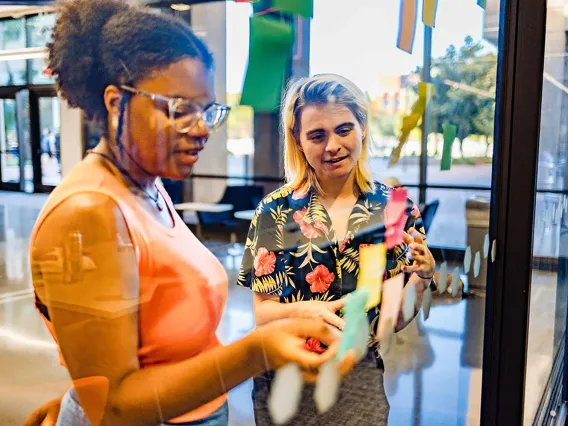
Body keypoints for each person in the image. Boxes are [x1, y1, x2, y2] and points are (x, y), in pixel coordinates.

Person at [25, 2, 356, 426]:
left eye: (207, 112)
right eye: (179, 109)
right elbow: (111, 407)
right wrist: (257, 350)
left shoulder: (146, 188)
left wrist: (288, 319)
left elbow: (144, 351)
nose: (201, 128)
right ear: (115, 103)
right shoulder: (87, 213)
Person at [237, 74, 436, 425]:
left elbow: (390, 322)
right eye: (317, 135)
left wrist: (421, 279)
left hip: (359, 380)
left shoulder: (395, 209)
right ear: (298, 141)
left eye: (344, 130)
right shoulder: (274, 212)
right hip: (285, 378)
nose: (332, 146)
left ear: (362, 129)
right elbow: (263, 314)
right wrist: (311, 313)